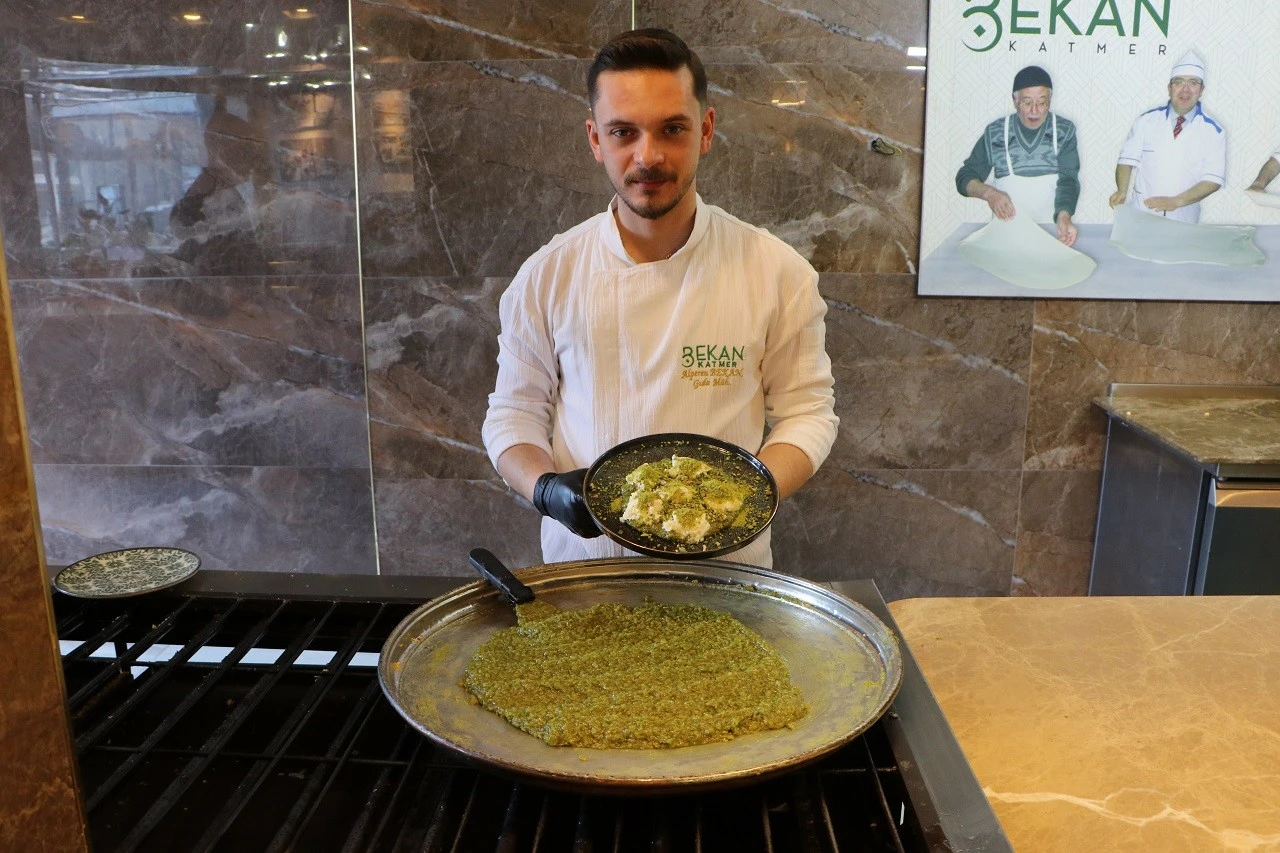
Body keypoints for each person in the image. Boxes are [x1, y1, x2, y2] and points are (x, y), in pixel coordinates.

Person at [481, 28, 838, 568]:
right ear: (596, 139)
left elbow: (808, 413)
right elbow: (513, 414)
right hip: (587, 573)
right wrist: (546, 488)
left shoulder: (777, 272)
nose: (648, 157)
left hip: (727, 577)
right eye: (623, 132)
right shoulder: (547, 276)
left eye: (672, 129)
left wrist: (741, 501)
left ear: (706, 130)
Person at [955, 65, 1081, 247]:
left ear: (1050, 99)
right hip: (1006, 237)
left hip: (1052, 236)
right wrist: (989, 193)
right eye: (1027, 103)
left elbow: (1068, 180)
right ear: (1015, 101)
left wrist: (1064, 216)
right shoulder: (996, 132)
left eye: (1042, 103)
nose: (1034, 111)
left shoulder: (1064, 131)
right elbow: (964, 177)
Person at [1109, 52, 1225, 224]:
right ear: (1169, 88)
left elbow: (1213, 180)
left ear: (1201, 90)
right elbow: (1126, 161)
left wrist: (1176, 201)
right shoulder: (1145, 121)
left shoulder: (1214, 131)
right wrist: (1122, 190)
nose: (1185, 89)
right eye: (1179, 82)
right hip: (1142, 213)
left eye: (1193, 83)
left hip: (1183, 219)